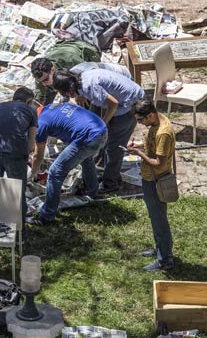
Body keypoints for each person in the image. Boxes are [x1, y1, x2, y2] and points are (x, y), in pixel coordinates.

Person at [52, 69, 145, 193]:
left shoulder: (89, 87)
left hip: (130, 104)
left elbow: (113, 104)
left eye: (64, 93)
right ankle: (108, 174)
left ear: (68, 88)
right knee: (108, 142)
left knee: (114, 147)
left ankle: (111, 184)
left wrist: (102, 124)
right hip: (124, 97)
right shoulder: (82, 78)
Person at [27, 102, 108, 226]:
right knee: (86, 158)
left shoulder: (40, 124)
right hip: (101, 130)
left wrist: (32, 174)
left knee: (55, 172)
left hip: (89, 137)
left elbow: (38, 155)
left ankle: (46, 216)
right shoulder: (50, 107)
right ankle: (92, 190)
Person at [127, 98, 176, 271]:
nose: (140, 124)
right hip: (150, 178)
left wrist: (139, 153)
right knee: (156, 218)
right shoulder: (158, 120)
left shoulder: (163, 133)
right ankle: (160, 249)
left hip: (155, 181)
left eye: (141, 120)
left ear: (150, 115)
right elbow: (153, 146)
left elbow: (159, 163)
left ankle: (165, 260)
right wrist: (141, 145)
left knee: (159, 220)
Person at [0, 87, 38, 232]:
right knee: (17, 192)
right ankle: (19, 231)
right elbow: (32, 143)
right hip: (15, 153)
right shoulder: (30, 111)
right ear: (29, 101)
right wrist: (28, 155)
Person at [29, 39, 101, 105]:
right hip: (63, 49)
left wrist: (81, 95)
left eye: (45, 80)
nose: (44, 84)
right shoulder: (40, 73)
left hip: (85, 53)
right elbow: (40, 97)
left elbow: (89, 74)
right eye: (41, 82)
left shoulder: (71, 62)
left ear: (53, 69)